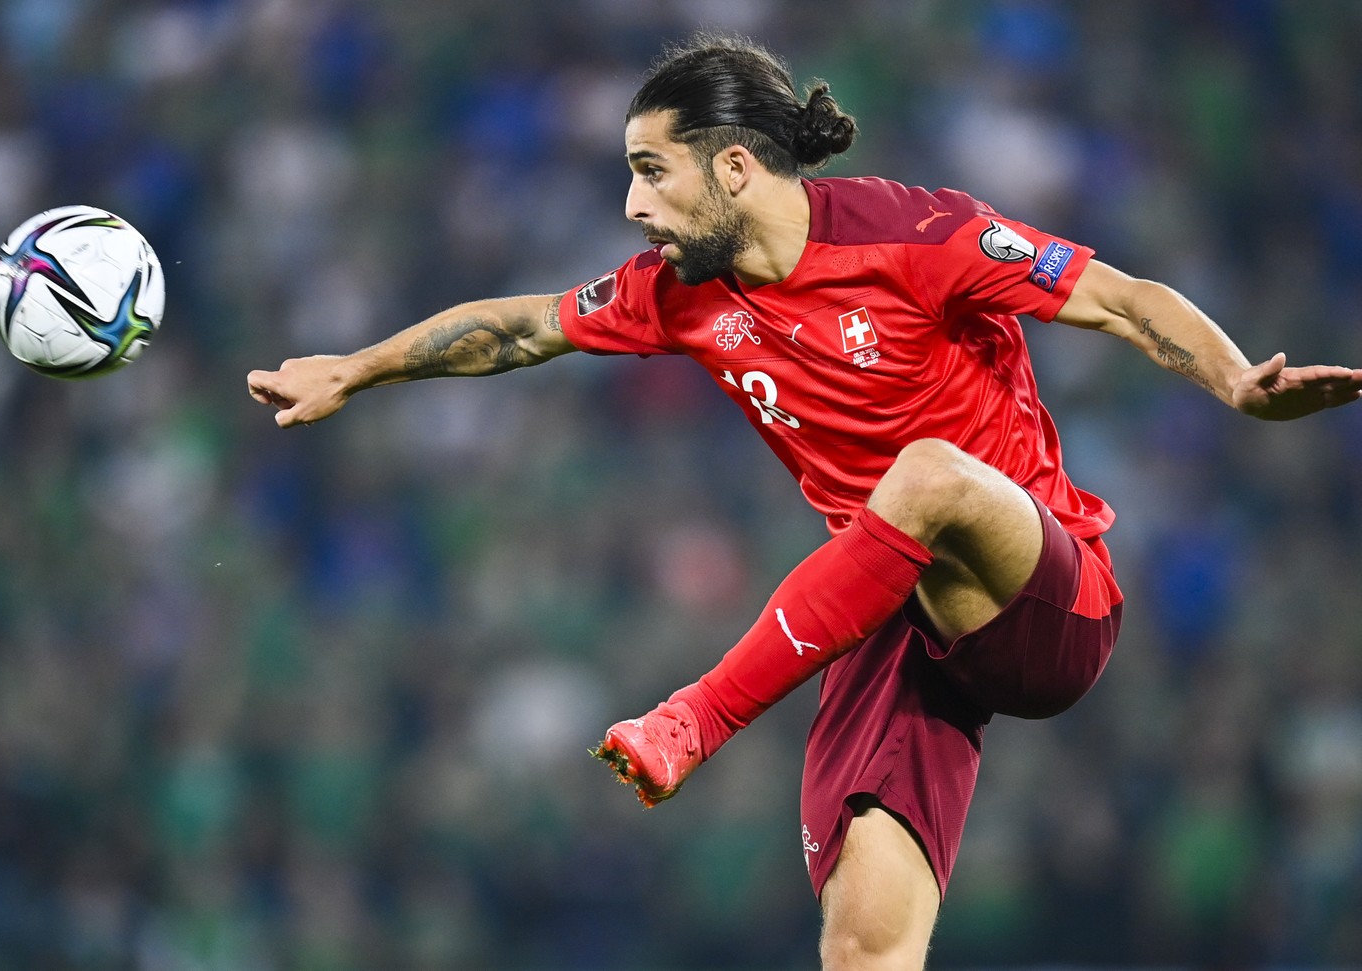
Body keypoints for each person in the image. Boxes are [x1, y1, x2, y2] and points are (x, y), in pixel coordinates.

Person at [247, 33, 1362, 971]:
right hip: (893, 613)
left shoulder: (918, 236)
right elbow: (529, 325)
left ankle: (698, 714)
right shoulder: (682, 294)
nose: (632, 206)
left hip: (1044, 597)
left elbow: (1118, 298)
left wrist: (1234, 383)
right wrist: (356, 367)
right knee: (862, 943)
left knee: (921, 475)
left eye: (652, 170)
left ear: (734, 167)